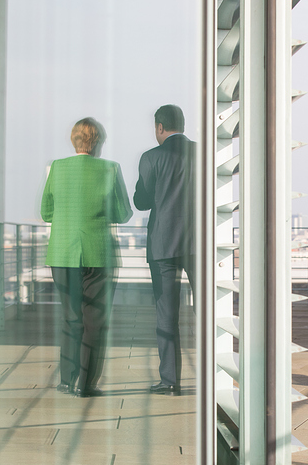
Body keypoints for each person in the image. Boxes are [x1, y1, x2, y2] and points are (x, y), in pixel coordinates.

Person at [41, 117, 132, 397]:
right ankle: (86, 384)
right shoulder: (110, 169)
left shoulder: (57, 167)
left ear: (74, 141)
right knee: (95, 321)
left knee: (71, 318)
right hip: (97, 253)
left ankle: (66, 380)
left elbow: (46, 212)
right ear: (99, 143)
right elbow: (123, 213)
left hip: (62, 253)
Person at [134, 104, 195, 396]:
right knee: (210, 312)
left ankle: (170, 381)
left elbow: (141, 201)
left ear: (160, 127)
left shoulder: (151, 158)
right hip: (199, 244)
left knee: (167, 316)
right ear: (182, 124)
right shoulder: (204, 154)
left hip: (162, 246)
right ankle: (215, 375)